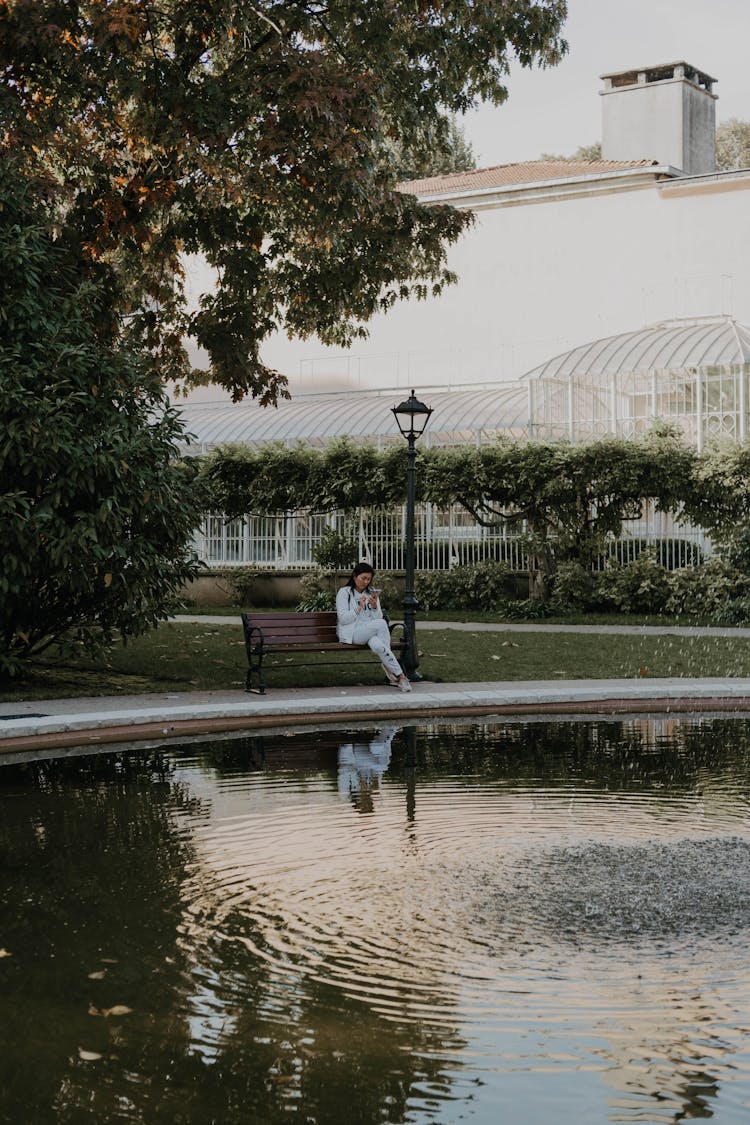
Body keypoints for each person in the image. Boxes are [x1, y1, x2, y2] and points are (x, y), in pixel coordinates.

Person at [335, 562, 412, 692]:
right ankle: (391, 669)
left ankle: (400, 677)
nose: (366, 582)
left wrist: (375, 606)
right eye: (363, 578)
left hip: (370, 631)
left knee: (379, 647)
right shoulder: (345, 593)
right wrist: (358, 608)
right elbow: (343, 619)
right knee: (381, 624)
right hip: (352, 633)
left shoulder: (371, 592)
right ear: (355, 576)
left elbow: (378, 617)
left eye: (369, 579)